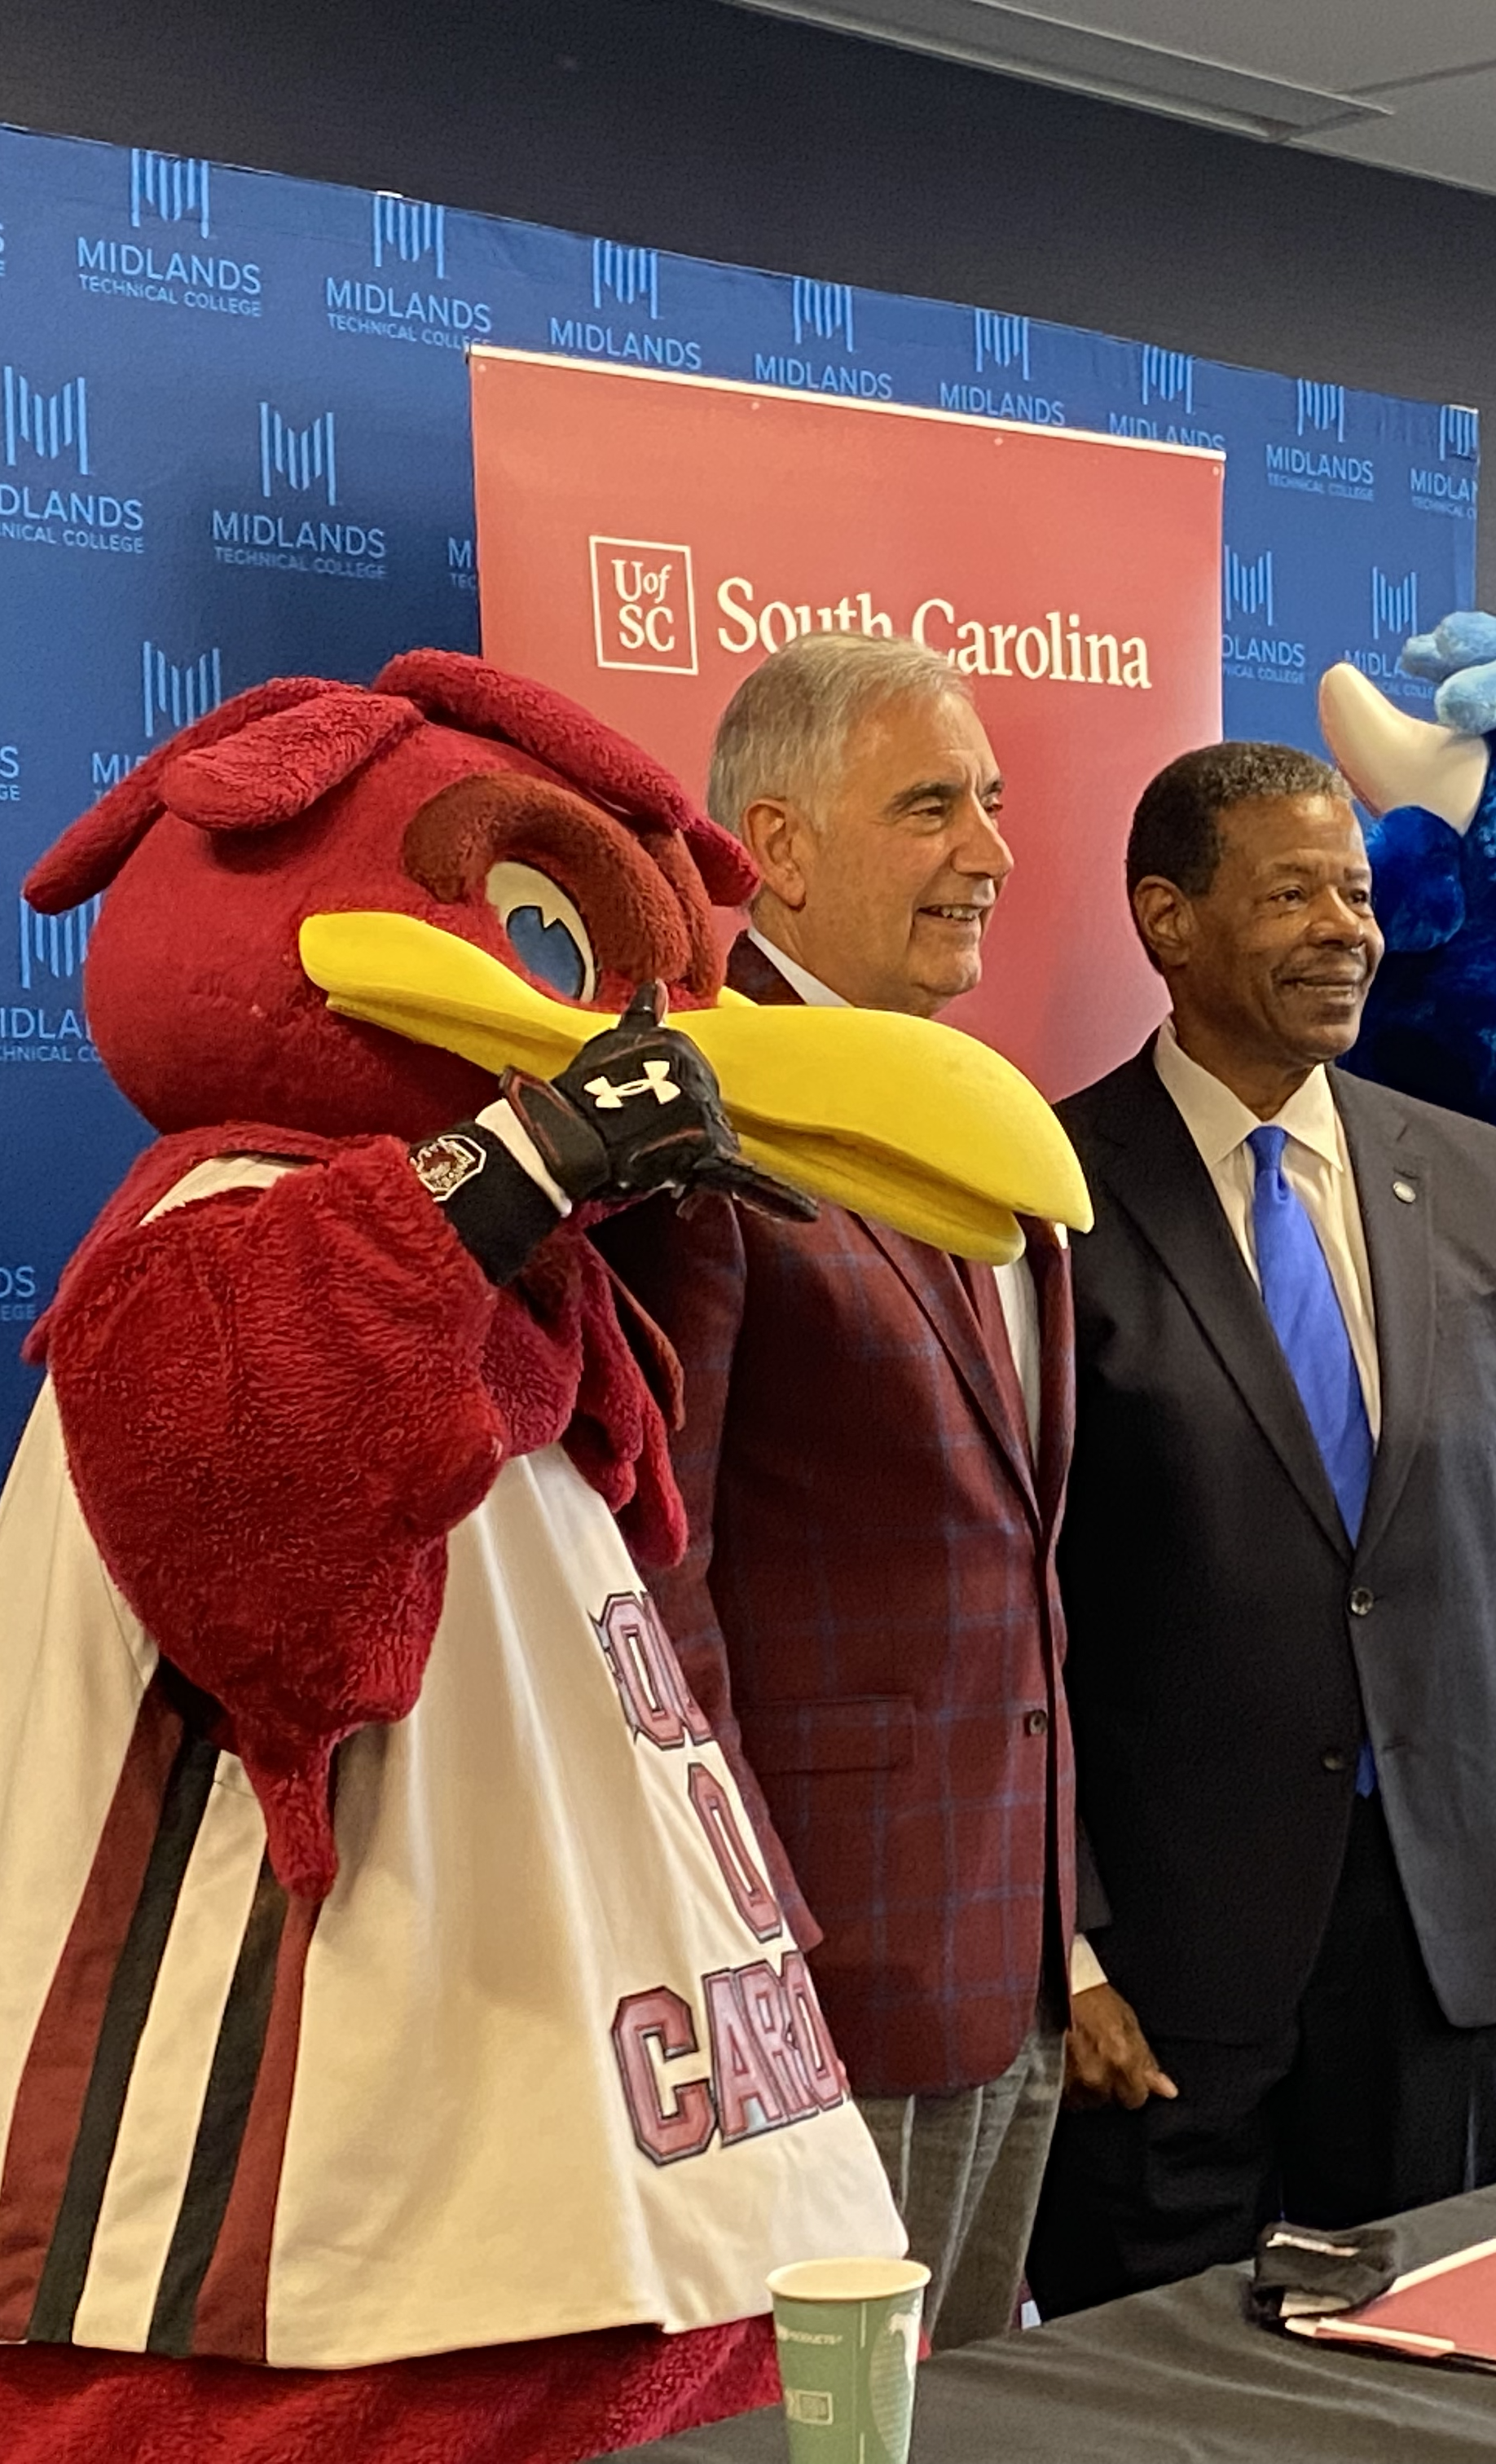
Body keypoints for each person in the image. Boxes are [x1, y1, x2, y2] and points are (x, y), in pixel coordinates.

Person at [1026, 741, 1496, 2315]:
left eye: (1360, 893)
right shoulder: (1043, 1190)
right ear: (1165, 920)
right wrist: (1071, 1947)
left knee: (1448, 2353)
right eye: (1293, 891)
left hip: (1459, 1938)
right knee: (1172, 2393)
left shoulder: (1477, 1179)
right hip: (1176, 1963)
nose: (1346, 929)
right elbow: (1010, 1604)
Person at [604, 632, 1079, 2356]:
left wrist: (1067, 1937)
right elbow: (659, 1577)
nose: (994, 854)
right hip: (824, 1973)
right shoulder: (703, 1130)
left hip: (1006, 1961)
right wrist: (756, 1938)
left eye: (996, 806)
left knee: (958, 2417)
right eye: (933, 807)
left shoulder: (982, 1116)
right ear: (780, 850)